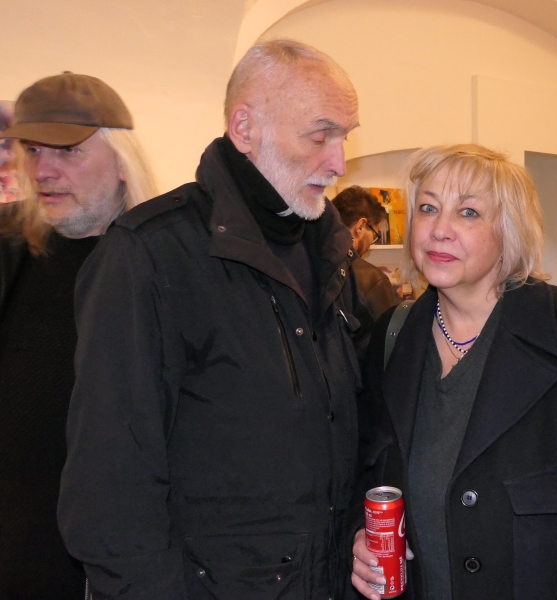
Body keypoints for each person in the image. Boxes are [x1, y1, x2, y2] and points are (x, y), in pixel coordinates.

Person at [58, 38, 367, 600]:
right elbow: (110, 487)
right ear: (244, 128)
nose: (339, 163)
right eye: (320, 136)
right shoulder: (151, 255)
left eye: (345, 136)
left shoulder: (331, 255)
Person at [351, 144, 557, 600]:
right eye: (428, 208)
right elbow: (364, 475)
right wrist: (359, 538)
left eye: (468, 212)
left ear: (509, 231)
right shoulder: (392, 338)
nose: (439, 230)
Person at [0, 72, 156, 600]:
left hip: (122, 566)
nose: (43, 170)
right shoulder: (11, 253)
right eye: (33, 150)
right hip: (18, 554)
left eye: (68, 151)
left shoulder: (167, 266)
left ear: (122, 161)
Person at [332, 185, 399, 320]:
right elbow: (390, 330)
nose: (369, 246)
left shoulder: (307, 260)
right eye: (374, 236)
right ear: (361, 226)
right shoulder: (373, 279)